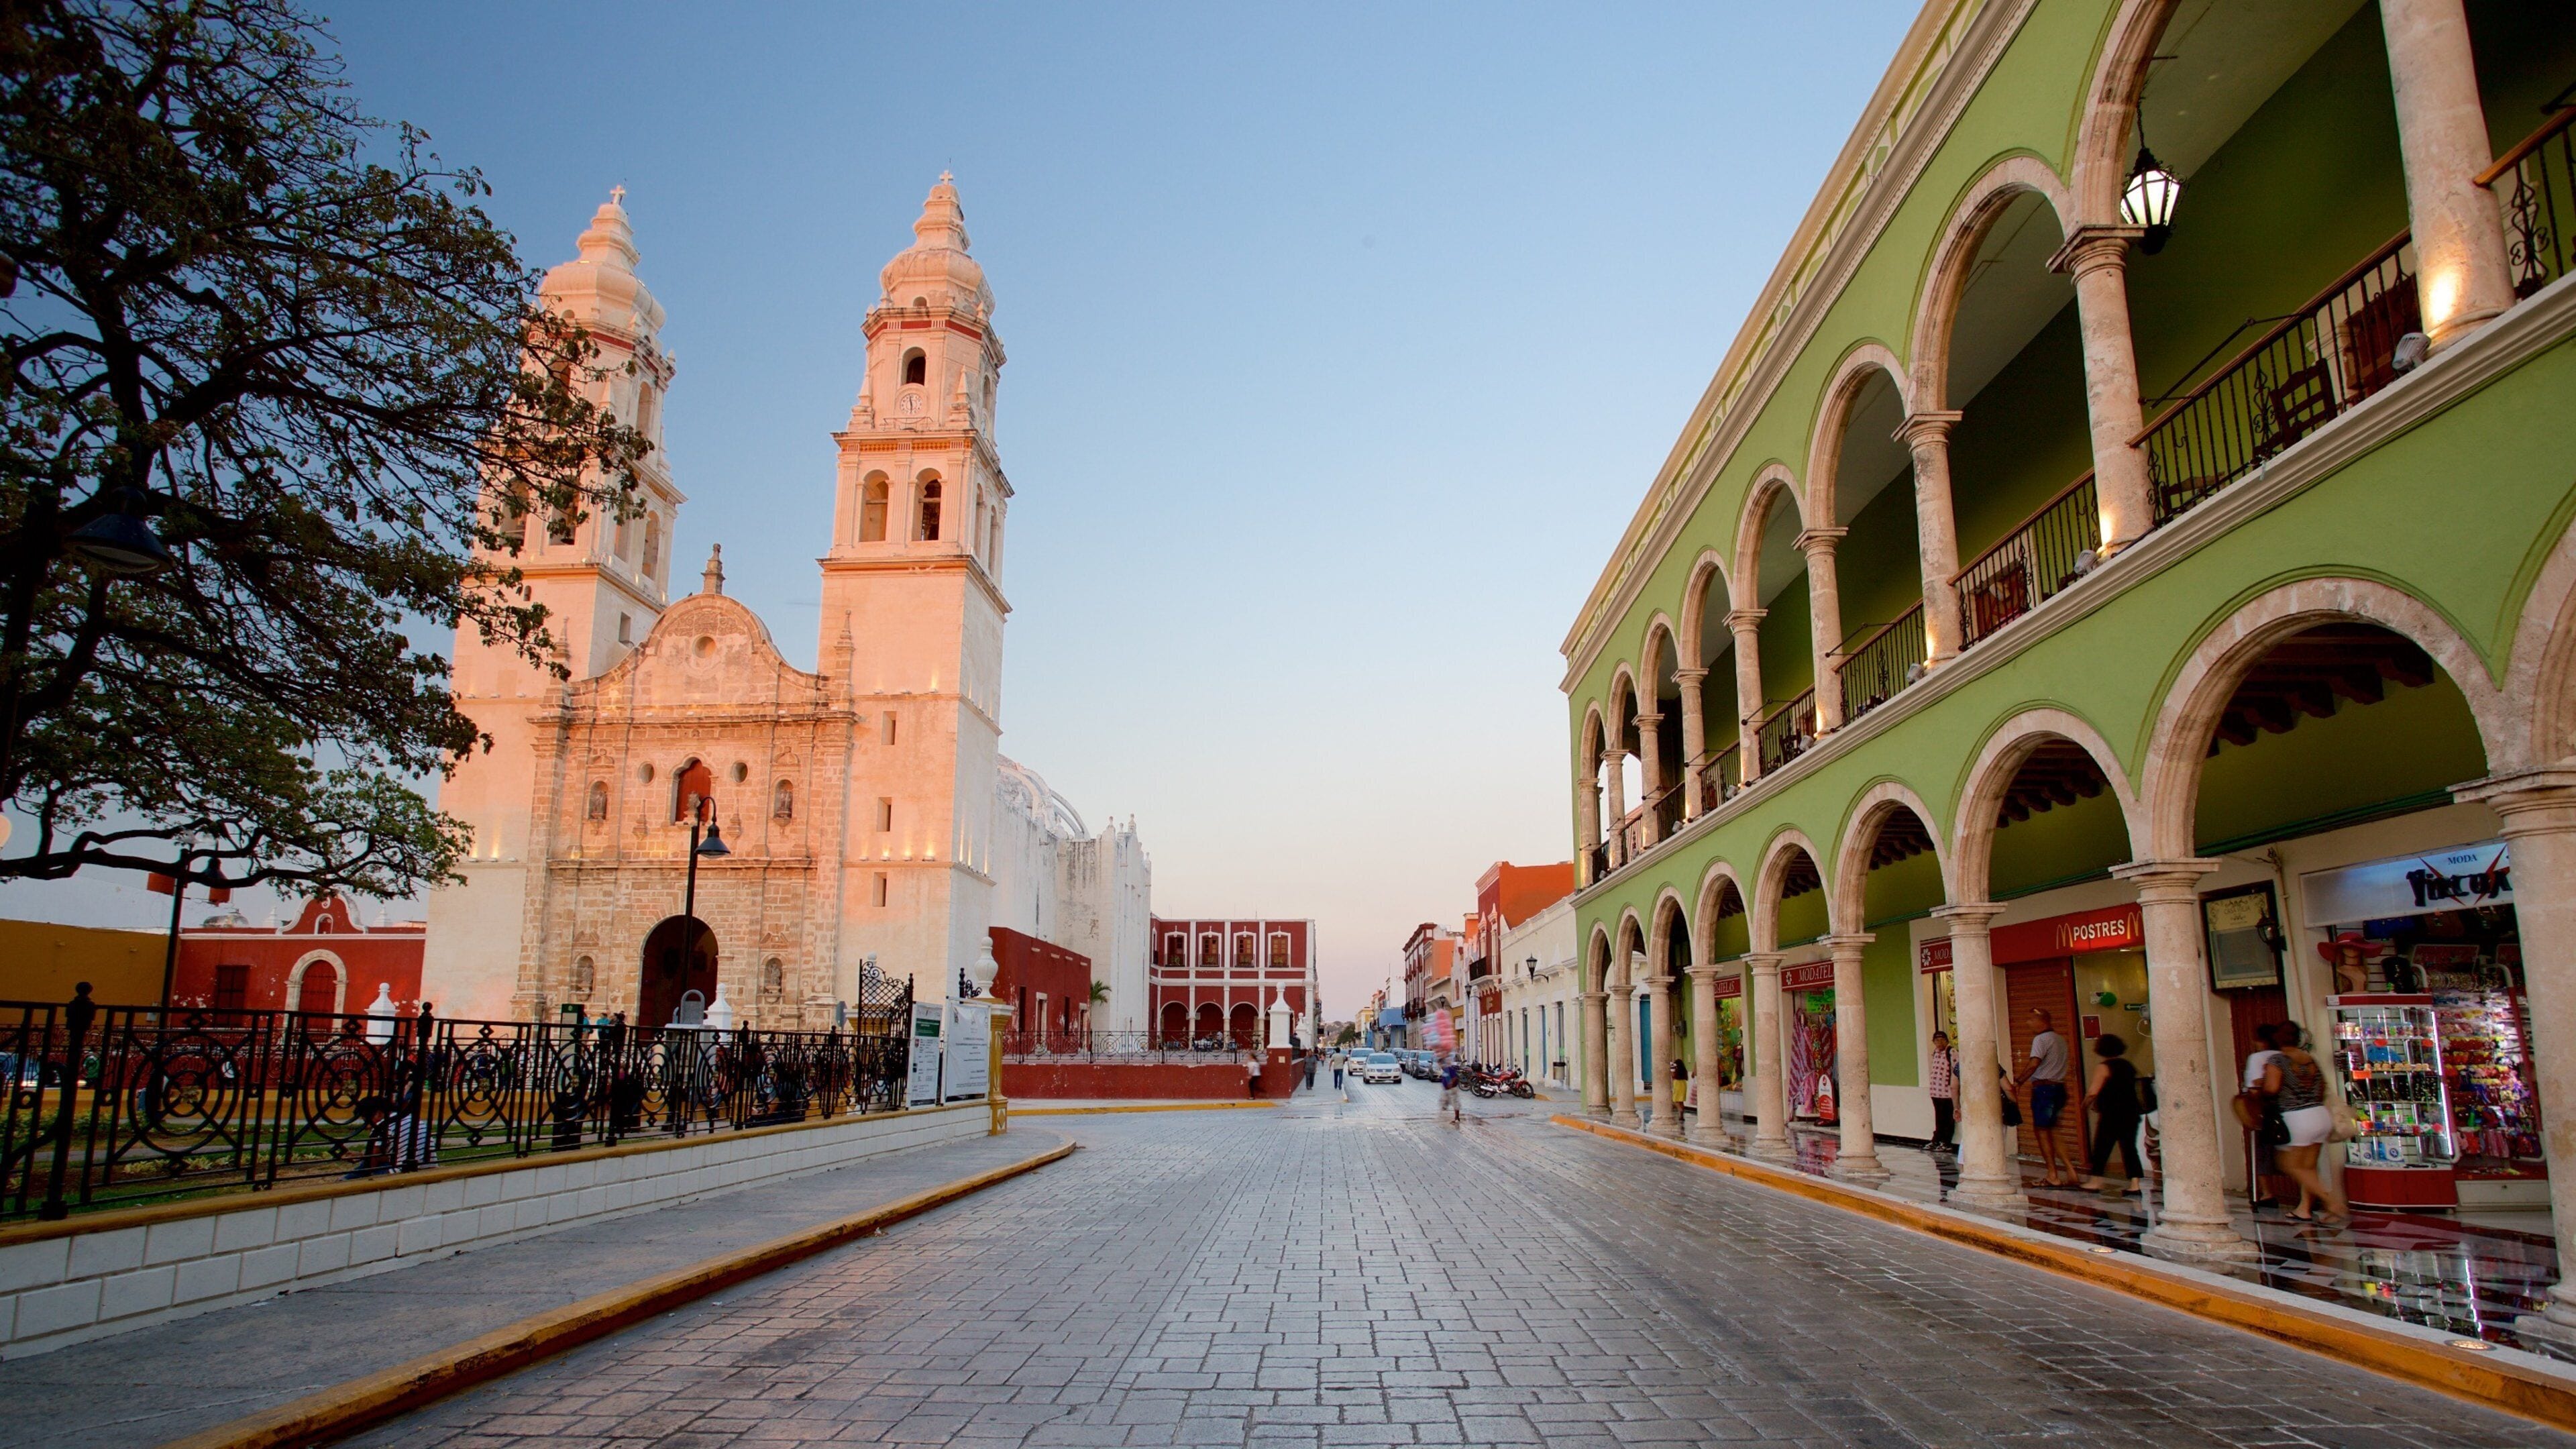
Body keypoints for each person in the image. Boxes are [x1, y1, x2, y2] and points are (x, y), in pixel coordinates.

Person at [2263, 1024, 2350, 1226]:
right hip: (2320, 1114)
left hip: (2297, 1117)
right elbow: (2321, 1088)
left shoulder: (2277, 1060)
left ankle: (2333, 1203)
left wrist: (2263, 1088)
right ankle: (2305, 1209)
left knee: (2289, 1164)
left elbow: (2272, 1088)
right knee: (2309, 1167)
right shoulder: (2310, 1059)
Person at [2017, 1008, 2077, 1187]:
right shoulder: (2060, 1039)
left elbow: (2034, 1063)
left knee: (2042, 1132)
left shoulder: (2041, 1039)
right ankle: (2071, 1171)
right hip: (2059, 1088)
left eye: (2030, 1020)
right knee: (2054, 1130)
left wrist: (2019, 1081)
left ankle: (2053, 1175)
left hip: (2044, 1090)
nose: (2028, 1023)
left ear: (2040, 1020)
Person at [2081, 1034, 2146, 1193]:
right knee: (2129, 1148)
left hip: (2111, 1114)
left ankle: (2096, 1181)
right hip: (2131, 1112)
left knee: (2102, 1147)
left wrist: (2084, 1106)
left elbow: (2093, 1092)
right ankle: (2135, 1183)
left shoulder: (2104, 1067)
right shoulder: (2128, 1066)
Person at [2240, 1022, 2289, 1208]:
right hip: (2290, 1108)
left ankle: (2268, 1193)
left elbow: (2254, 1086)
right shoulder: (2286, 1056)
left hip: (2266, 1109)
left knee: (2263, 1152)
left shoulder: (2257, 1058)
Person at [1926, 1030, 1957, 1155]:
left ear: (1947, 1040)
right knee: (1939, 1117)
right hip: (1936, 1091)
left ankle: (1946, 1142)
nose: (1939, 1043)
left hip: (1947, 1092)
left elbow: (1956, 1070)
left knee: (1948, 1117)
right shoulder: (1935, 1053)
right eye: (1936, 1040)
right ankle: (1937, 1140)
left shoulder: (1952, 1052)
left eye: (1942, 1040)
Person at [1439, 1055, 1462, 1124]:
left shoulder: (1449, 1069)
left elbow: (1455, 1078)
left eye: (1440, 1064)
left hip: (1452, 1089)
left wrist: (1451, 1083)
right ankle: (1444, 1107)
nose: (1440, 1066)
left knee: (1455, 1103)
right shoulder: (1444, 1070)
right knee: (1444, 1101)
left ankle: (1457, 1118)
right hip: (1447, 1090)